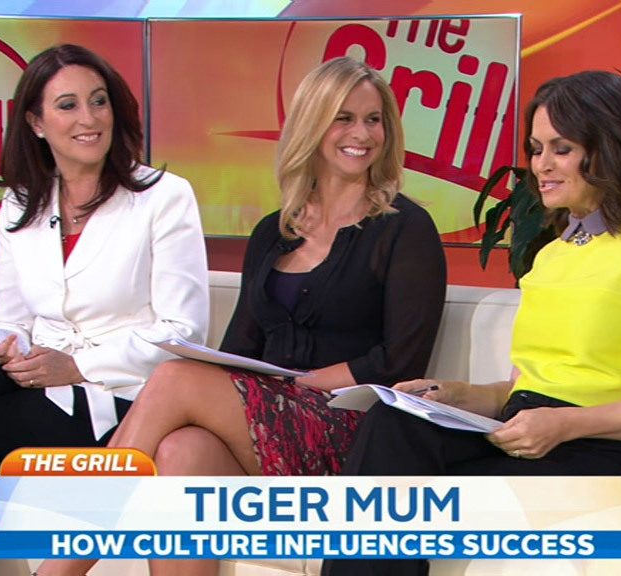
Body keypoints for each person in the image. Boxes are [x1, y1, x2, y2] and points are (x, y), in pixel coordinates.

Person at [34, 56, 447, 576]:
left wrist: (305, 382)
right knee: (183, 448)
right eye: (343, 118)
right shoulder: (274, 231)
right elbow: (239, 352)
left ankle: (55, 571)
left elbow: (400, 362)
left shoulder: (405, 228)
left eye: (373, 120)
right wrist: (252, 380)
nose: (361, 134)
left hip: (352, 436)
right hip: (270, 422)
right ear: (312, 125)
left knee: (174, 381)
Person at [321, 70, 621, 576]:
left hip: (602, 449)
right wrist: (456, 394)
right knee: (393, 423)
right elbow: (527, 388)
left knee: (406, 497)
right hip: (525, 432)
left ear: (610, 148)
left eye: (562, 149)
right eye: (536, 149)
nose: (541, 166)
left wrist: (563, 424)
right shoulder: (553, 255)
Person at [0, 44, 210, 576]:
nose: (89, 119)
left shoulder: (163, 195)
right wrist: (5, 345)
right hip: (37, 383)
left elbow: (183, 331)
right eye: (68, 106)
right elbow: (11, 317)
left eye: (98, 101)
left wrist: (74, 366)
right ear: (36, 122)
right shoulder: (22, 201)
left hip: (117, 400)